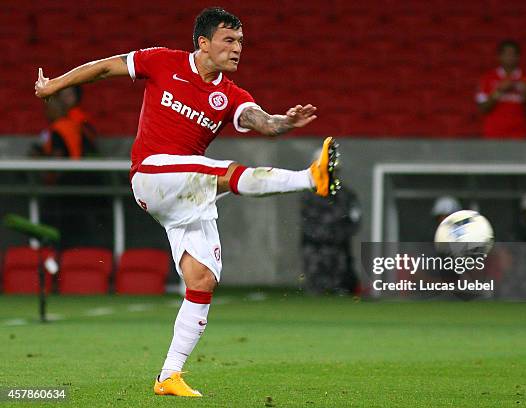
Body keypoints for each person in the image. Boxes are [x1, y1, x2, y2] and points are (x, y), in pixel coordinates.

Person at [34, 7, 340, 397]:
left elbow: (260, 120)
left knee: (203, 280)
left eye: (241, 42)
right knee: (225, 172)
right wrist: (54, 85)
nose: (237, 49)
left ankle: (169, 376)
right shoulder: (163, 62)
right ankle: (309, 178)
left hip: (182, 193)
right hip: (151, 174)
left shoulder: (230, 96)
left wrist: (283, 121)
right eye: (229, 40)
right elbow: (104, 68)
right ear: (203, 42)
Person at [301, 149, 361, 295]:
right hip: (314, 250)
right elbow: (307, 223)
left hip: (339, 250)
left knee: (341, 289)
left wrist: (339, 236)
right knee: (316, 290)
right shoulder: (309, 196)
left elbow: (355, 220)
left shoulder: (347, 195)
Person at [475, 39, 526, 138]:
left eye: (513, 54)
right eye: (506, 54)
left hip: (519, 135)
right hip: (493, 135)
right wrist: (499, 90)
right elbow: (483, 109)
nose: (510, 57)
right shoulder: (487, 79)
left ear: (518, 57)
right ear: (499, 56)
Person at [58, 85, 98, 156]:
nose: (65, 98)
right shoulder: (57, 116)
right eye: (62, 95)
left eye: (69, 95)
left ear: (76, 96)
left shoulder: (79, 116)